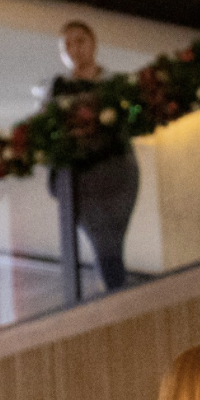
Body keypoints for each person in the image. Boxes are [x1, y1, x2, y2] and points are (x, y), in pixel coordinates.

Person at [45, 21, 138, 292]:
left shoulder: (114, 85)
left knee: (113, 236)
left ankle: (115, 287)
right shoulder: (58, 89)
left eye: (80, 41)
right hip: (82, 178)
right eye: (67, 45)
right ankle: (114, 288)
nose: (74, 49)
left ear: (93, 43)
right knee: (101, 241)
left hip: (115, 170)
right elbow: (47, 130)